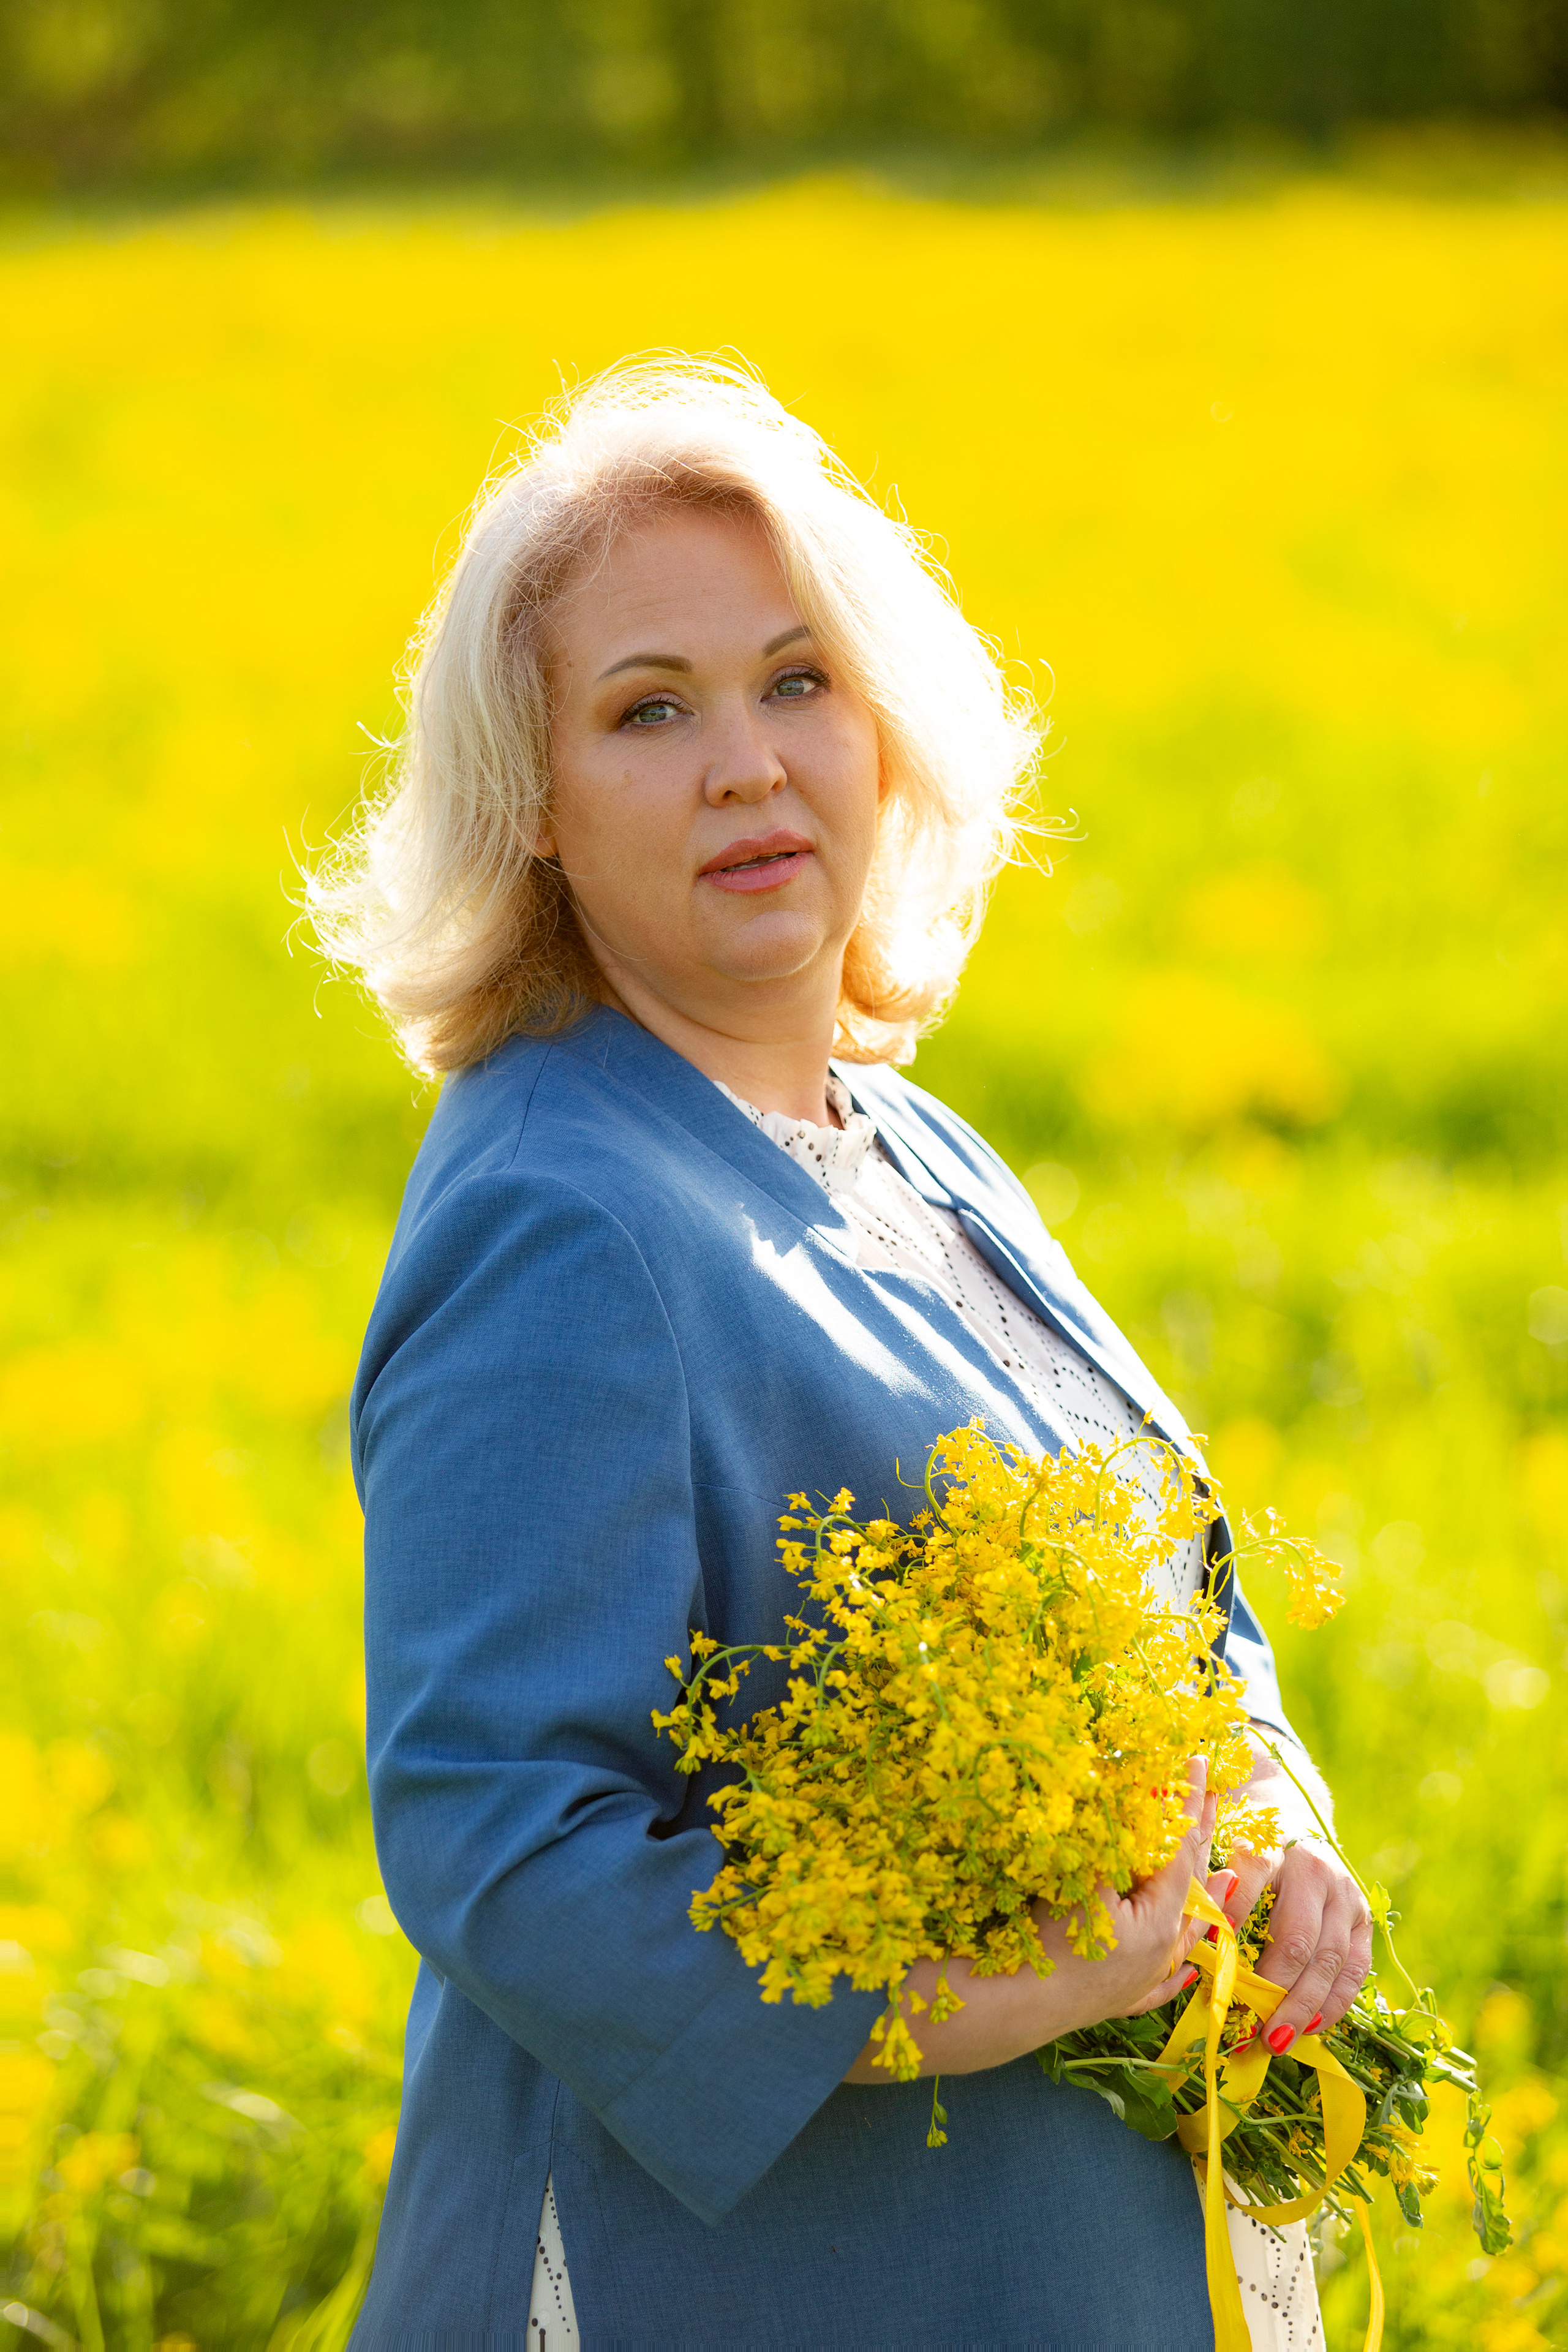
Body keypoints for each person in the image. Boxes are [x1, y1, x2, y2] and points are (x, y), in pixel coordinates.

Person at [314, 358, 1372, 2348]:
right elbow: (502, 1841)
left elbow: (1170, 1590)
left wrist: (1277, 1829)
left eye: (799, 681)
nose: (748, 765)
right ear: (530, 805)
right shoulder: (563, 1221)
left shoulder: (900, 1129)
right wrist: (981, 2000)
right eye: (652, 709)